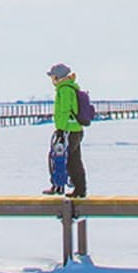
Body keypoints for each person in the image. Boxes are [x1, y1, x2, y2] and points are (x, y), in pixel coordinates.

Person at [44, 63, 87, 198]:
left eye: (52, 76)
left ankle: (59, 186)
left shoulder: (65, 89)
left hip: (68, 130)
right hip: (75, 130)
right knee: (73, 160)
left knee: (59, 159)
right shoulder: (69, 88)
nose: (52, 80)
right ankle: (79, 189)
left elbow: (65, 111)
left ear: (58, 77)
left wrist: (61, 129)